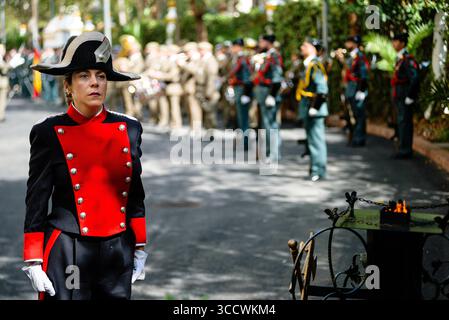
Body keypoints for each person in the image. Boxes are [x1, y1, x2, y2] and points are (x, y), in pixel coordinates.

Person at [22, 31, 148, 300]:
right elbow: (37, 197)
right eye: (84, 76)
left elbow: (134, 190)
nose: (95, 83)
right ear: (68, 86)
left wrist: (139, 245)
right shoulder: (48, 131)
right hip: (69, 248)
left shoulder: (130, 128)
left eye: (100, 76)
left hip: (117, 248)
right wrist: (33, 258)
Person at [296, 38, 329, 181]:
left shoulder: (315, 66)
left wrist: (315, 107)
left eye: (305, 45)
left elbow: (322, 89)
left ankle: (319, 171)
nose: (302, 47)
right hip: (308, 107)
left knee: (316, 141)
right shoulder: (308, 64)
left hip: (314, 108)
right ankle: (314, 169)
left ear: (313, 48)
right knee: (311, 140)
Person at [253, 34, 284, 162]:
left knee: (270, 124)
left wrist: (272, 95)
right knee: (266, 124)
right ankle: (268, 151)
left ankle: (273, 154)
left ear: (267, 42)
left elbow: (277, 77)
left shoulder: (274, 56)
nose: (259, 44)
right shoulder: (266, 56)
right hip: (263, 92)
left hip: (269, 92)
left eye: (261, 41)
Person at [335, 35, 369, 147]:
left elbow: (363, 75)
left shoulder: (359, 56)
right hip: (350, 88)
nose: (346, 44)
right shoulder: (351, 56)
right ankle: (354, 137)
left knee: (359, 114)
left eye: (349, 42)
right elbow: (347, 70)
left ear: (354, 43)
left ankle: (359, 138)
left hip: (357, 87)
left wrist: (361, 90)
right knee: (352, 114)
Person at [391, 32, 419, 159]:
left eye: (396, 41)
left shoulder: (407, 59)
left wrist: (410, 96)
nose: (394, 43)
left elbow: (414, 78)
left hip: (405, 95)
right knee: (402, 122)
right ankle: (403, 148)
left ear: (402, 43)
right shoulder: (399, 58)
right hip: (400, 95)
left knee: (405, 122)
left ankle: (405, 150)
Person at [229, 38, 253, 149]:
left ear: (238, 47)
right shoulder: (237, 58)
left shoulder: (243, 59)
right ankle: (242, 141)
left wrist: (246, 94)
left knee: (243, 118)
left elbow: (247, 78)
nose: (232, 49)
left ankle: (245, 143)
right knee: (239, 118)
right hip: (238, 88)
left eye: (233, 46)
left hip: (242, 89)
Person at [0, 44, 10, 122]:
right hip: (2, 82)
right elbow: (3, 69)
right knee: (2, 100)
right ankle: (1, 116)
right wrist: (10, 65)